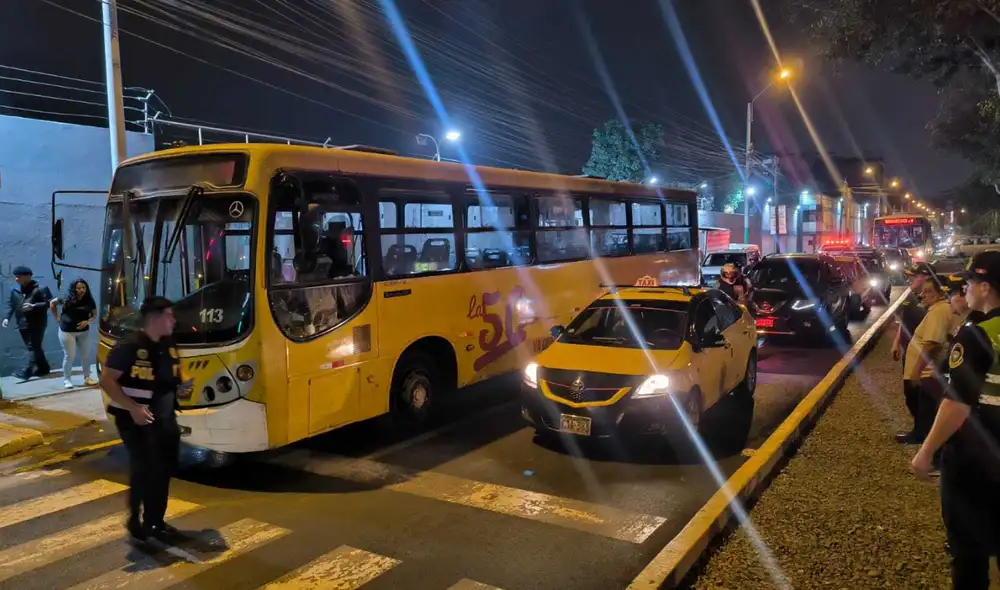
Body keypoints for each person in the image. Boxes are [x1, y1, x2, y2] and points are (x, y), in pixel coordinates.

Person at [911, 251, 1000, 589]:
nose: (965, 290)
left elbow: (958, 403)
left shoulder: (980, 334)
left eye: (970, 284)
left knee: (969, 552)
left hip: (977, 461)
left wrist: (926, 451)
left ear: (986, 287)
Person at [100, 296, 189, 544]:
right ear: (155, 319)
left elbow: (177, 370)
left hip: (164, 414)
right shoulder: (129, 345)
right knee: (146, 467)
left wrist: (182, 386)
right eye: (169, 316)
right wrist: (134, 408)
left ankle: (155, 521)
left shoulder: (168, 343)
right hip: (133, 418)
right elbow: (108, 380)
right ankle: (137, 518)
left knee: (163, 469)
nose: (174, 320)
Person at [900, 276, 953, 444]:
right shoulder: (936, 310)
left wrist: (916, 372)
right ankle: (919, 434)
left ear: (941, 293)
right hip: (923, 370)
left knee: (922, 406)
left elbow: (931, 344)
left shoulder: (938, 311)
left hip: (925, 371)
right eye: (923, 291)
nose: (923, 295)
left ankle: (925, 439)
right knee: (918, 404)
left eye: (929, 291)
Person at [891, 264, 932, 443]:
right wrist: (896, 342)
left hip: (922, 354)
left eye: (914, 276)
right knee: (910, 394)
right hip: (909, 349)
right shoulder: (910, 295)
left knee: (922, 395)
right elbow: (903, 321)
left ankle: (924, 433)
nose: (909, 279)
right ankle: (919, 429)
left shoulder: (934, 301)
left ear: (926, 277)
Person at [2, 266, 53, 380]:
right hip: (22, 323)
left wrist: (33, 306)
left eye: (19, 276)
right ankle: (44, 368)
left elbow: (50, 303)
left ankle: (28, 371)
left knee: (32, 346)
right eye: (15, 277)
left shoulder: (41, 288)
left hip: (37, 323)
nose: (16, 279)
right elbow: (11, 305)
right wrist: (6, 318)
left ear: (28, 276)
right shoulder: (15, 290)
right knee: (35, 347)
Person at [49, 278, 98, 389]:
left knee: (85, 355)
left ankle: (87, 377)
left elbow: (95, 314)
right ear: (74, 289)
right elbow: (52, 303)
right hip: (67, 331)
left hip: (83, 332)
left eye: (84, 288)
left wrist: (88, 321)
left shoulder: (89, 300)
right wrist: (57, 317)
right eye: (79, 288)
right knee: (70, 355)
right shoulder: (66, 298)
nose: (82, 290)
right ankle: (67, 380)